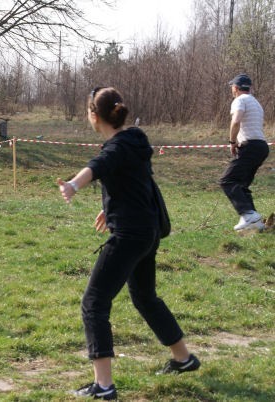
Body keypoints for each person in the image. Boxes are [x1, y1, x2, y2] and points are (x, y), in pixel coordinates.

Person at [57, 87, 200, 400]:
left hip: (130, 236)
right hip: (147, 231)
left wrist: (72, 185)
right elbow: (136, 181)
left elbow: (98, 165)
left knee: (94, 303)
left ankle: (104, 387)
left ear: (95, 116)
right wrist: (109, 208)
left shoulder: (117, 147)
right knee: (145, 297)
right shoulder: (135, 139)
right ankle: (183, 359)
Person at [220, 74, 270, 231]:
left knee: (228, 180)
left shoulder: (239, 100)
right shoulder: (255, 102)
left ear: (235, 88)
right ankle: (254, 222)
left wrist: (232, 142)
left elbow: (236, 121)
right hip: (261, 146)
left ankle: (248, 215)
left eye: (232, 88)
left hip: (250, 146)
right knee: (242, 184)